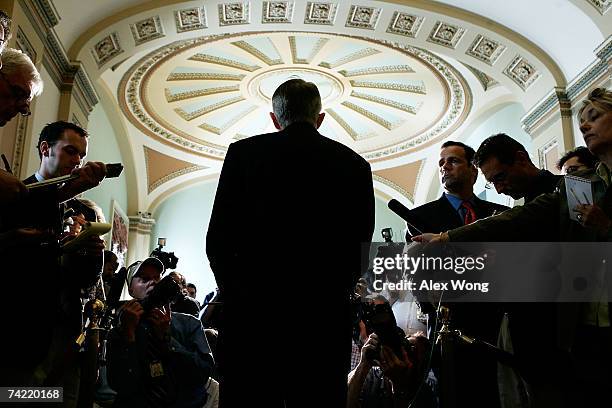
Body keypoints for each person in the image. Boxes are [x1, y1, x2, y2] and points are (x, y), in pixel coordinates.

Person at [413, 87, 612, 407]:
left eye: (594, 117)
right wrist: (447, 239)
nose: (584, 127)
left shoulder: (570, 184)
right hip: (575, 333)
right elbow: (522, 218)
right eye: (581, 120)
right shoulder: (581, 185)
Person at [206, 78, 375, 407]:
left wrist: (239, 295)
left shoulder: (243, 155)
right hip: (322, 321)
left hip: (252, 320)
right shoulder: (354, 165)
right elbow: (360, 254)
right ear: (320, 118)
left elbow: (218, 242)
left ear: (274, 119)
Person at [402, 140, 507, 408]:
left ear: (474, 170)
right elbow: (420, 279)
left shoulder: (500, 215)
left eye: (453, 161)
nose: (445, 166)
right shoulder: (419, 217)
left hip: (500, 328)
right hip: (451, 328)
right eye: (441, 163)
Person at [107, 257, 214, 408]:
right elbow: (121, 384)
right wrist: (128, 336)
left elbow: (202, 375)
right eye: (144, 279)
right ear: (131, 290)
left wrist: (167, 340)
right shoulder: (121, 329)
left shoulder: (189, 324)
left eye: (157, 277)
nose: (153, 282)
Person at [474, 133, 561, 203]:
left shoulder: (569, 190)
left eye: (500, 177)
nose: (499, 190)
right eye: (492, 183)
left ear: (521, 159)